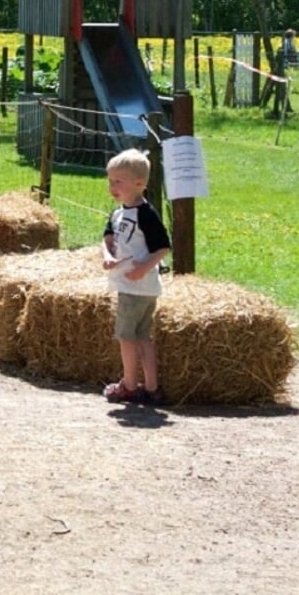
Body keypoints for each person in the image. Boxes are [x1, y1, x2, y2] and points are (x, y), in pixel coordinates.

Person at [99, 148, 170, 407]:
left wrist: (144, 267)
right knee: (142, 337)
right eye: (110, 180)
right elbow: (107, 239)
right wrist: (107, 255)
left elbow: (163, 246)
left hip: (138, 287)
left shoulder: (145, 214)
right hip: (131, 286)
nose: (112, 186)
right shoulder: (119, 213)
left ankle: (129, 385)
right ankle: (151, 387)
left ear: (139, 183)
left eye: (119, 181)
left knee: (126, 337)